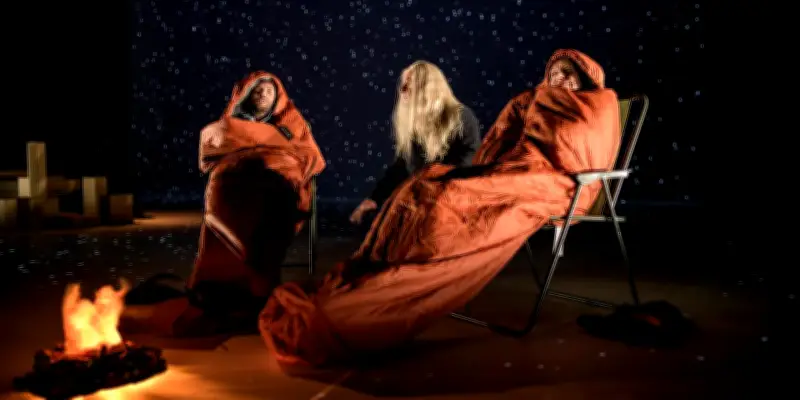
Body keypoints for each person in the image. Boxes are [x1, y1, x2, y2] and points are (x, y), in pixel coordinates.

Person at [258, 49, 622, 367]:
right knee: (422, 185)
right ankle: (379, 273)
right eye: (554, 72)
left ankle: (400, 286)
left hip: (557, 183)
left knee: (443, 195)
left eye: (568, 73)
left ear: (586, 78)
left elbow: (570, 149)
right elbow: (416, 163)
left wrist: (476, 177)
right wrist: (378, 196)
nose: (559, 78)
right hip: (515, 171)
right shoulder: (531, 101)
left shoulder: (596, 107)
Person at [121, 71, 325, 336]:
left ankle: (257, 281)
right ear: (245, 95)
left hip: (275, 179)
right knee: (224, 187)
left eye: (269, 91)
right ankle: (222, 284)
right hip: (234, 178)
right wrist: (256, 142)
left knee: (270, 200)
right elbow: (214, 140)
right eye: (257, 90)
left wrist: (272, 151)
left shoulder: (292, 123)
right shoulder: (230, 123)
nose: (263, 95)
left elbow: (308, 155)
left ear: (279, 97)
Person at [349, 60, 481, 225]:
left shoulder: (462, 118)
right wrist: (374, 198)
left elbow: (467, 167)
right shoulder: (416, 125)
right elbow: (402, 166)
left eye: (409, 84)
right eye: (403, 84)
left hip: (452, 202)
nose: (403, 90)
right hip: (424, 201)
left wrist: (431, 190)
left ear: (428, 88)